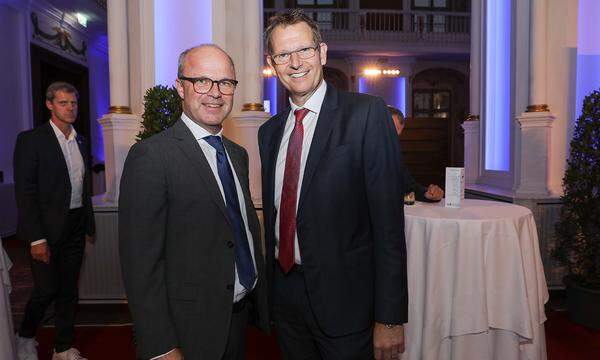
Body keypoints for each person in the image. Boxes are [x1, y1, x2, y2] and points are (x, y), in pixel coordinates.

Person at [258, 10, 408, 360]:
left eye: (305, 50)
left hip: (347, 303)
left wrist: (389, 318)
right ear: (271, 63)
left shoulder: (367, 114)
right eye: (283, 54)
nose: (295, 63)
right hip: (285, 296)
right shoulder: (268, 133)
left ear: (322, 53)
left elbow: (388, 226)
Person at [119, 44, 269, 360]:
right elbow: (140, 264)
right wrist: (160, 346)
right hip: (188, 328)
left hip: (238, 318)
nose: (215, 92)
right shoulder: (151, 156)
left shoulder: (237, 155)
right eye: (202, 81)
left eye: (225, 83)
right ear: (180, 87)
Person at [13, 82, 95, 360]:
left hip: (74, 225)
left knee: (69, 291)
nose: (70, 108)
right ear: (49, 104)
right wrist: (37, 238)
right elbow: (26, 193)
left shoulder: (80, 140)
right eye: (63, 103)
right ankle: (25, 335)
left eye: (73, 103)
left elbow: (82, 186)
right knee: (46, 289)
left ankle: (63, 347)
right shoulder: (31, 140)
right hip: (45, 230)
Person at [388, 106, 444, 202]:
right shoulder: (358, 153)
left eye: (396, 136)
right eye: (390, 132)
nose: (392, 140)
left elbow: (410, 187)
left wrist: (428, 194)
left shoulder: (394, 156)